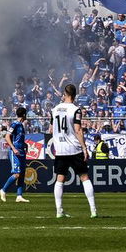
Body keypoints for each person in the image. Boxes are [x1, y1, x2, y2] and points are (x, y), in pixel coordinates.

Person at [48, 82, 98, 219]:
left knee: (60, 179)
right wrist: (84, 148)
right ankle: (93, 210)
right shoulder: (75, 110)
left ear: (64, 94)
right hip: (74, 149)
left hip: (60, 149)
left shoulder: (54, 110)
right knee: (84, 177)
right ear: (74, 96)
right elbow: (78, 130)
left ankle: (59, 211)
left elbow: (51, 130)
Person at [0, 106, 30, 203]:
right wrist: (13, 148)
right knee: (17, 174)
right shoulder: (15, 124)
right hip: (15, 151)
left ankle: (19, 195)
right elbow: (7, 137)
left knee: (22, 174)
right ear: (24, 115)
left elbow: (18, 138)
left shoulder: (21, 125)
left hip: (21, 151)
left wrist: (25, 145)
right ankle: (3, 190)